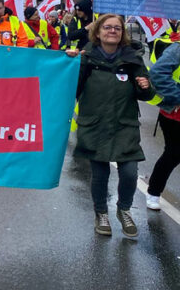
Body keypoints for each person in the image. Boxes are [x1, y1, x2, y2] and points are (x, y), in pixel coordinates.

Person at [67, 14, 153, 238]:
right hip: (95, 124)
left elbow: (146, 93)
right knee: (100, 173)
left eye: (117, 28)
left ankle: (124, 209)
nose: (112, 31)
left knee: (129, 172)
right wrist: (70, 63)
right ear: (97, 31)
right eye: (107, 27)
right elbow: (70, 89)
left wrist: (144, 86)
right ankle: (101, 213)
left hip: (124, 124)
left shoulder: (132, 59)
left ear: (122, 33)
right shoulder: (86, 58)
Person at [145, 35, 180, 211]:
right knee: (173, 154)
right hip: (175, 114)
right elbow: (157, 73)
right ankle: (153, 192)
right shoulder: (177, 48)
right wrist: (177, 97)